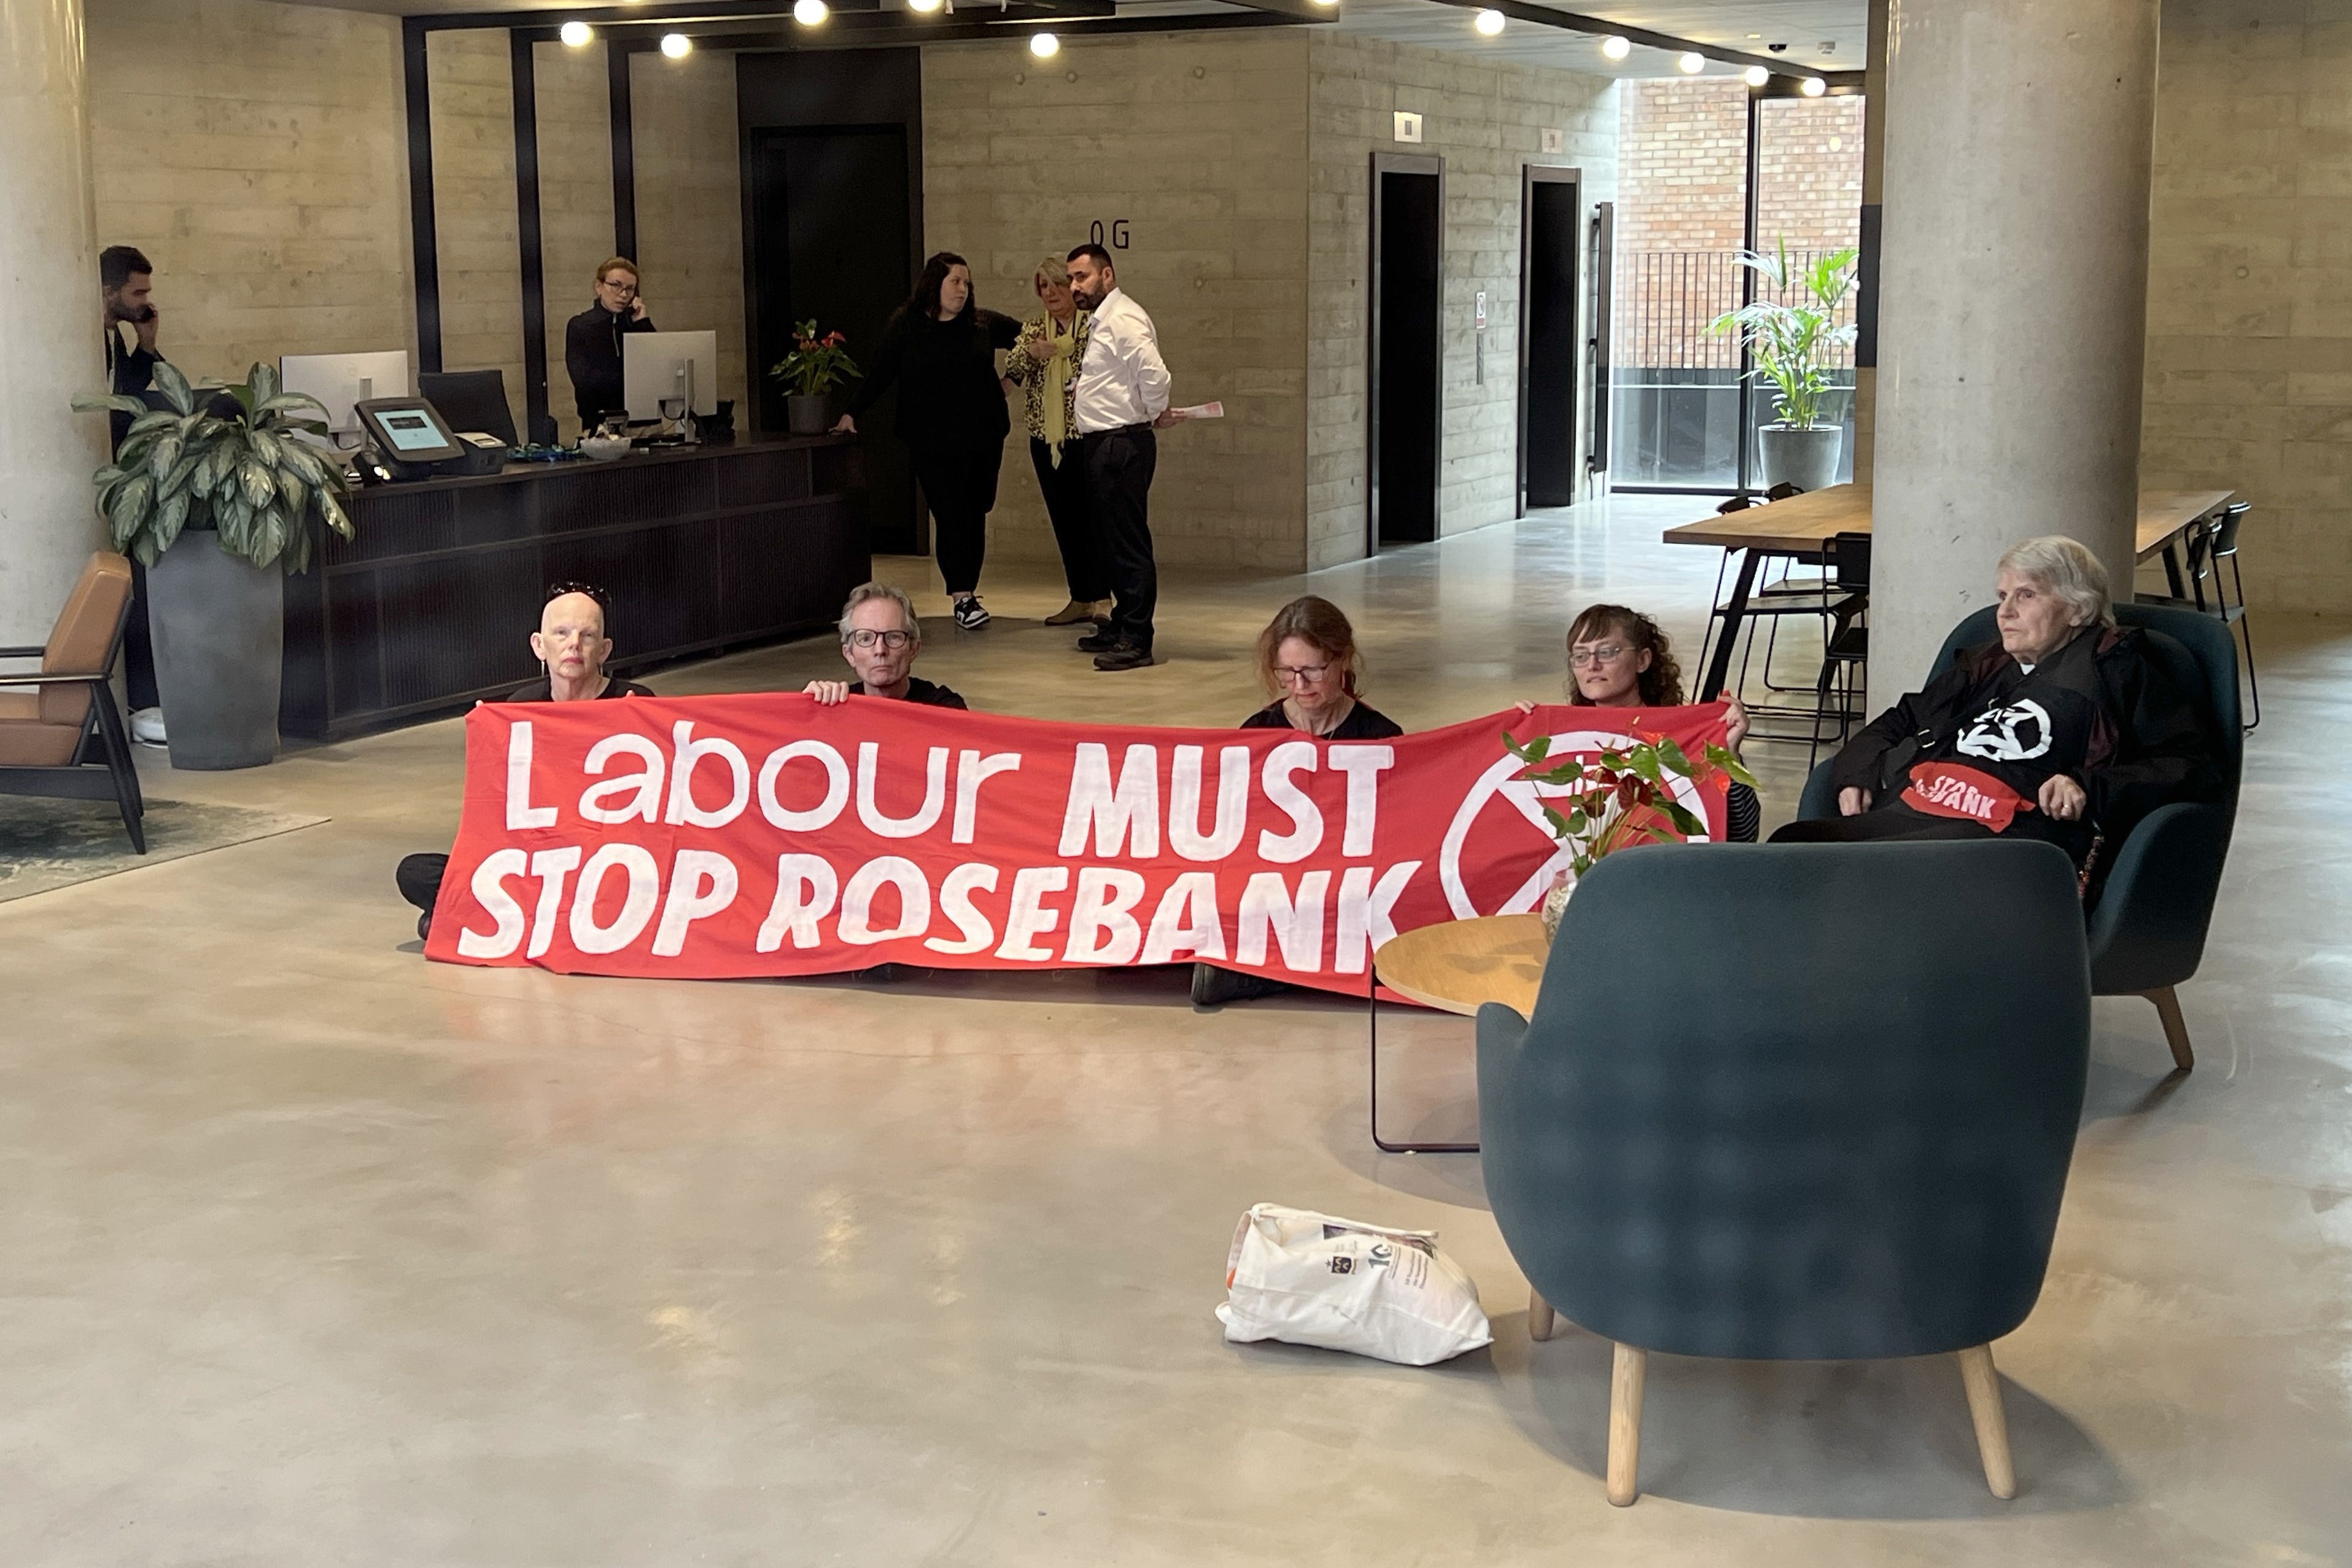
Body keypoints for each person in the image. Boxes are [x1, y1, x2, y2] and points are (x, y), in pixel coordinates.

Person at [1771, 535, 2218, 884]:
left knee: (1876, 876)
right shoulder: (1985, 664)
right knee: (1790, 850)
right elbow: (1901, 720)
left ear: (2079, 609)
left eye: (2026, 596)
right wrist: (1856, 770)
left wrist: (2088, 786)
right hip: (1917, 812)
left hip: (2009, 839)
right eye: (2002, 595)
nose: (2003, 612)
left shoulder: (2120, 669)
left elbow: (2191, 767)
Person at [396, 583, 653, 939]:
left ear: (604, 650)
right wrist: (490, 737)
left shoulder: (635, 701)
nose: (573, 645)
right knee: (415, 871)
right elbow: (498, 811)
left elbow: (656, 812)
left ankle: (475, 918)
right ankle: (538, 917)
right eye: (561, 633)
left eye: (587, 635)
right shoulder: (518, 709)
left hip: (606, 862)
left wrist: (640, 723)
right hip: (538, 862)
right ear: (539, 646)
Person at [1193, 596, 1401, 1010]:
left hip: (1347, 886)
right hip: (1280, 885)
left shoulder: (1380, 735)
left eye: (1312, 671)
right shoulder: (1257, 732)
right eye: (1287, 673)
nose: (1300, 685)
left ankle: (1256, 975)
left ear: (1341, 660)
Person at [834, 253, 1022, 631]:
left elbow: (1031, 341)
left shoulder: (982, 323)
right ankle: (962, 596)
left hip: (983, 435)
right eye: (955, 282)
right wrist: (853, 411)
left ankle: (969, 591)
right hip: (933, 440)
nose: (962, 290)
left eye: (967, 284)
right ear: (934, 284)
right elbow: (881, 372)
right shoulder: (907, 326)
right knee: (951, 514)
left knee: (976, 511)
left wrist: (1011, 380)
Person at [1517, 605, 1760, 843]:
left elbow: (1742, 836)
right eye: (1580, 656)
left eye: (1607, 652)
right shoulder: (1563, 743)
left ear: (1642, 660)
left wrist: (1729, 756)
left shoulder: (1682, 743)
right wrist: (1517, 734)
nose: (1592, 665)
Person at [1065, 244, 1179, 672]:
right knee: (1108, 539)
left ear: (1107, 276)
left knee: (1127, 541)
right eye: (1071, 278)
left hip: (1121, 444)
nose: (1074, 286)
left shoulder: (1123, 317)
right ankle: (1120, 623)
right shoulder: (1103, 321)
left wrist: (1151, 413)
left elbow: (1154, 374)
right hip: (1104, 442)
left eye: (1082, 277)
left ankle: (1137, 636)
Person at [1001, 257, 1110, 627]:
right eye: (1043, 288)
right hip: (1047, 440)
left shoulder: (1091, 327)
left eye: (1056, 285)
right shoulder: (1034, 329)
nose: (1050, 294)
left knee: (1095, 519)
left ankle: (1103, 598)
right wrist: (1031, 354)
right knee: (1065, 520)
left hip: (1087, 436)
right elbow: (1013, 372)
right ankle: (1079, 597)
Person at [100, 244, 165, 744]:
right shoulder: (84, 342)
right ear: (107, 292)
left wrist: (146, 345)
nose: (145, 299)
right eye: (137, 291)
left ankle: (143, 699)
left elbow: (141, 402)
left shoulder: (119, 341)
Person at [803, 582, 969, 708]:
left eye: (893, 637)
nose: (880, 650)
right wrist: (807, 708)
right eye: (866, 638)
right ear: (849, 654)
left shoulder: (944, 709)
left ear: (914, 649)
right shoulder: (834, 707)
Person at [564, 257, 654, 435]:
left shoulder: (636, 324)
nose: (623, 295)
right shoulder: (581, 326)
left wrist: (642, 323)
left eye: (630, 289)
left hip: (646, 423)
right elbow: (584, 380)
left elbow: (656, 368)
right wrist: (629, 380)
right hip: (601, 425)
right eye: (616, 286)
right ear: (599, 287)